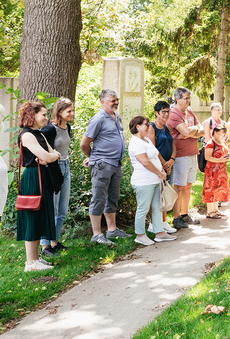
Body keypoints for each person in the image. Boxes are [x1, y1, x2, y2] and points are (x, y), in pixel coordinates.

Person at [81, 89, 129, 246]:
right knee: (99, 198)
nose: (115, 102)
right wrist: (92, 158)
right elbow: (84, 143)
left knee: (112, 197)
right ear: (103, 102)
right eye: (112, 100)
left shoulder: (116, 117)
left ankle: (112, 230)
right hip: (102, 164)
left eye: (116, 99)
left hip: (116, 163)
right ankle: (96, 234)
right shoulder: (98, 119)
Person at [16, 100, 60, 271]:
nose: (46, 118)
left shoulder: (39, 134)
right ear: (32, 115)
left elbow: (54, 154)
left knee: (39, 216)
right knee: (32, 217)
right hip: (33, 177)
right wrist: (50, 157)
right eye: (43, 114)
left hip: (42, 178)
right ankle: (30, 263)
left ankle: (35, 259)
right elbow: (49, 156)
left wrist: (51, 157)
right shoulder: (26, 135)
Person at [128, 116, 177, 246]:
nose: (149, 127)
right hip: (144, 181)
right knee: (143, 208)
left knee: (157, 207)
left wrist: (162, 170)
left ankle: (159, 233)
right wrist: (159, 173)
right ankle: (140, 235)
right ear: (138, 127)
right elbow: (145, 162)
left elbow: (155, 156)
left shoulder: (146, 140)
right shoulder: (136, 142)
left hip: (154, 180)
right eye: (146, 125)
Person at [40, 98, 75, 256]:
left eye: (72, 110)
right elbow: (41, 152)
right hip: (53, 169)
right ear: (59, 112)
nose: (72, 114)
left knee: (62, 210)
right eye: (69, 111)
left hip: (66, 167)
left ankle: (54, 242)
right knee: (51, 208)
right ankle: (44, 246)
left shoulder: (67, 128)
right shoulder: (49, 130)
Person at [166, 87, 205, 230]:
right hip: (180, 155)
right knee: (179, 187)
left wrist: (191, 131)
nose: (189, 101)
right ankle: (176, 217)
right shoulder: (174, 114)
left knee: (188, 185)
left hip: (193, 153)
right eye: (186, 98)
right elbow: (188, 131)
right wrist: (192, 131)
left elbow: (202, 130)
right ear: (177, 99)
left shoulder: (190, 112)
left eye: (189, 98)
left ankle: (184, 214)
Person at [146, 100, 177, 234]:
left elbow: (173, 145)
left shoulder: (167, 127)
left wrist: (172, 160)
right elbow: (152, 148)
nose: (166, 114)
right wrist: (164, 164)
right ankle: (153, 223)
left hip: (168, 165)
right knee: (156, 195)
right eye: (163, 111)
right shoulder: (152, 127)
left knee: (165, 194)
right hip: (157, 166)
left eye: (167, 111)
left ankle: (163, 222)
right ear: (156, 113)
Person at [203, 123, 230, 218]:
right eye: (220, 134)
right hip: (212, 171)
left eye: (223, 134)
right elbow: (207, 157)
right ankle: (210, 212)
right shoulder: (211, 143)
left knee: (218, 190)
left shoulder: (222, 142)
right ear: (214, 132)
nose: (221, 136)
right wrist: (219, 160)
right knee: (211, 190)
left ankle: (215, 210)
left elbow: (226, 152)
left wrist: (227, 158)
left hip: (221, 170)